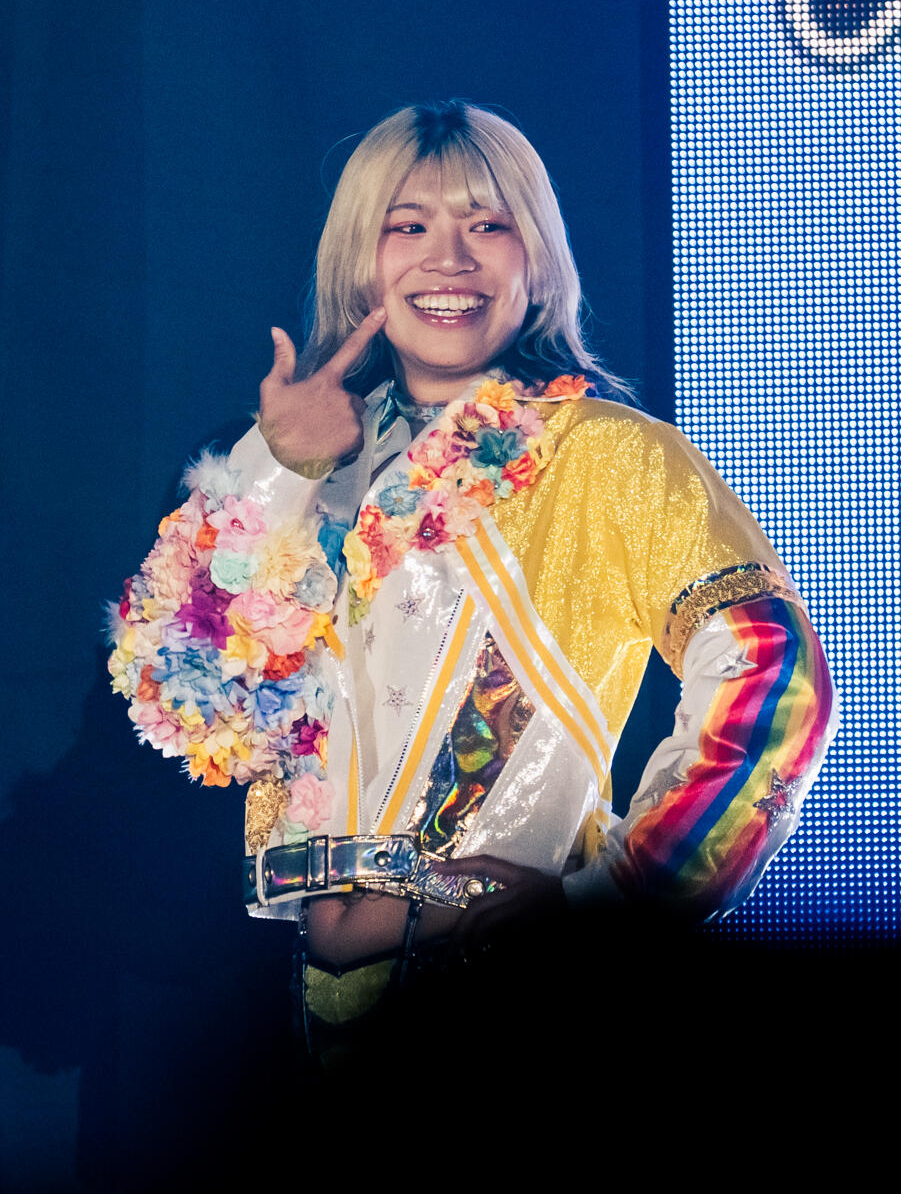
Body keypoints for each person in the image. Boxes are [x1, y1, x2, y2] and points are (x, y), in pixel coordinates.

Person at [107, 100, 837, 1063]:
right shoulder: (306, 461)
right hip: (302, 1008)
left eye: (487, 225)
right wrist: (281, 468)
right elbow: (183, 694)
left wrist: (616, 901)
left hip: (512, 996)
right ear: (359, 259)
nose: (448, 260)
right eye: (407, 226)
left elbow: (775, 677)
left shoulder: (606, 454)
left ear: (537, 259)